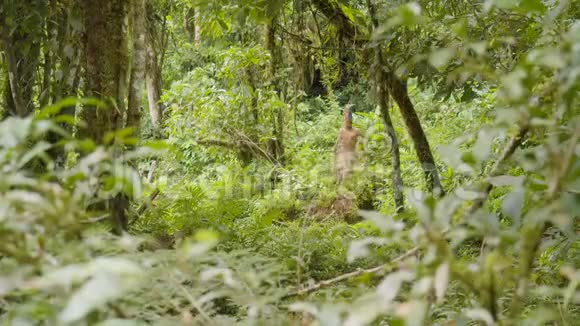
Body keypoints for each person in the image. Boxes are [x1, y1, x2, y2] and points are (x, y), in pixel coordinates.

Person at [335, 104, 360, 184]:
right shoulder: (342, 131)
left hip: (351, 155)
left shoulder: (356, 131)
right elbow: (337, 144)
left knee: (348, 175)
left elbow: (361, 143)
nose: (348, 123)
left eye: (349, 121)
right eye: (346, 121)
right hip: (342, 155)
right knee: (340, 174)